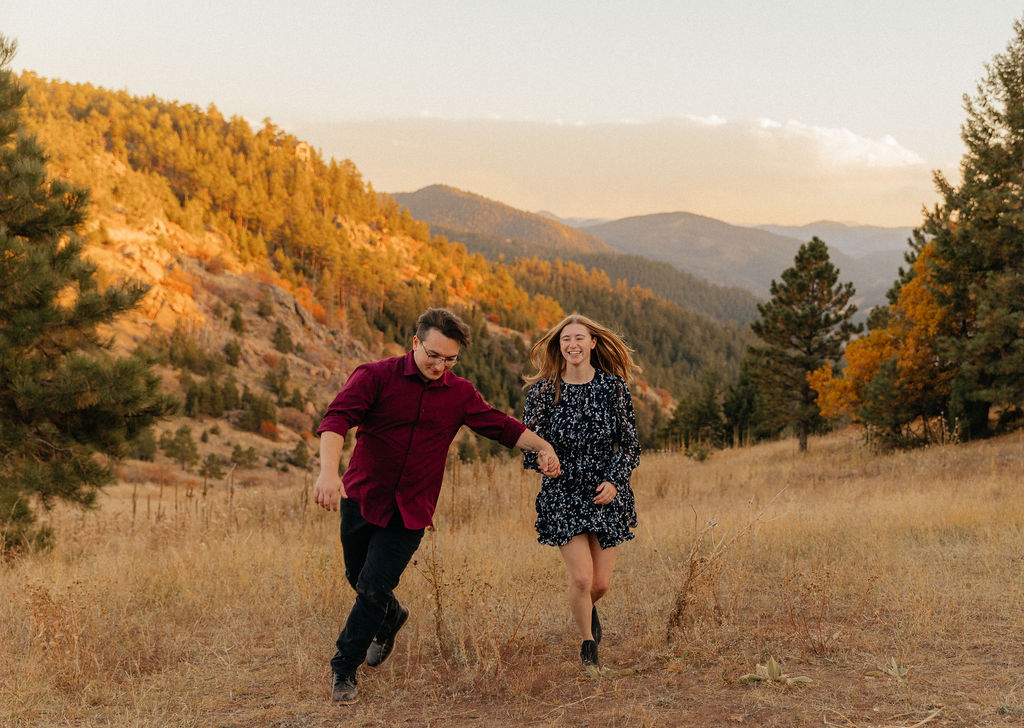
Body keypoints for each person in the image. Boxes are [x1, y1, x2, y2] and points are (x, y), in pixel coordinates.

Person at [314, 307, 561, 705]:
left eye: (450, 359)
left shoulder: (459, 394)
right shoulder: (374, 375)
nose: (440, 365)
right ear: (416, 343)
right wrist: (328, 472)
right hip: (361, 497)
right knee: (358, 578)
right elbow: (337, 420)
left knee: (374, 586)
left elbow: (501, 426)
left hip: (411, 510)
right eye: (433, 355)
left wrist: (544, 447)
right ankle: (391, 616)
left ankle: (344, 668)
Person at [522, 313, 640, 668]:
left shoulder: (613, 387)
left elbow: (631, 446)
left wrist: (615, 482)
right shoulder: (543, 391)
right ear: (560, 347)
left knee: (600, 584)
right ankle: (588, 647)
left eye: (578, 338)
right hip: (563, 493)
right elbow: (529, 444)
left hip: (606, 492)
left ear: (592, 343)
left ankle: (588, 609)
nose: (572, 345)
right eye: (565, 340)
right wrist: (543, 460)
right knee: (581, 578)